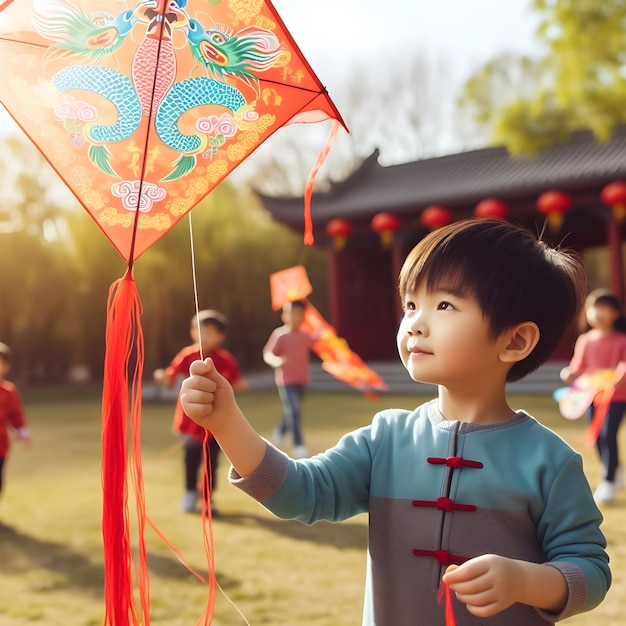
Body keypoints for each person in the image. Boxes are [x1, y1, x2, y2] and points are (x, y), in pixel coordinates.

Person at [179, 219, 611, 625]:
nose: (414, 324)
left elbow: (590, 569)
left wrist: (528, 581)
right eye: (410, 304)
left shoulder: (550, 461)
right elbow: (299, 493)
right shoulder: (385, 438)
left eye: (444, 304)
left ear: (515, 340)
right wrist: (226, 421)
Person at [153, 310, 246, 516]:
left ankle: (207, 500)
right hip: (189, 419)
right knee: (191, 459)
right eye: (199, 331)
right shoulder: (187, 355)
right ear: (192, 332)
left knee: (211, 463)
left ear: (221, 336)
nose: (203, 336)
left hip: (216, 423)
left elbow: (240, 384)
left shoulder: (225, 359)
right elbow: (170, 378)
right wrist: (161, 376)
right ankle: (188, 492)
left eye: (210, 333)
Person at [560, 288, 626, 504]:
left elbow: (623, 365)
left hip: (616, 397)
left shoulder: (621, 340)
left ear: (616, 313)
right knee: (597, 436)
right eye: (594, 308)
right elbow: (578, 366)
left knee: (608, 433)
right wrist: (569, 373)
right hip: (590, 395)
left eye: (604, 308)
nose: (598, 313)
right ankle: (615, 471)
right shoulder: (585, 340)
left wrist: (618, 380)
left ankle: (607, 481)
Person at [263, 299, 314, 458]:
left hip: (302, 379)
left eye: (299, 314)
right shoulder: (280, 335)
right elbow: (268, 353)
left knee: (292, 411)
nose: (295, 317)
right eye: (292, 313)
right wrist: (276, 361)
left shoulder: (306, 335)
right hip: (286, 381)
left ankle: (279, 432)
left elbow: (320, 344)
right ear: (285, 316)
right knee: (294, 410)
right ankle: (298, 445)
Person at [0, 342, 31, 503]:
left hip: (1, 445)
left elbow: (16, 415)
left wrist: (23, 433)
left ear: (5, 367)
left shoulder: (9, 391)